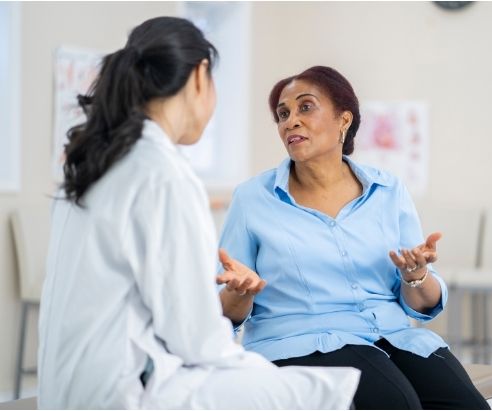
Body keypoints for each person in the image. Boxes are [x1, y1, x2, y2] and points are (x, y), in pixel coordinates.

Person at [38, 20, 359, 409]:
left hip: (66, 388)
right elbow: (197, 338)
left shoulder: (95, 164)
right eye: (283, 112)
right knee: (326, 392)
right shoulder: (163, 173)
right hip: (123, 392)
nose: (290, 120)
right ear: (199, 75)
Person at [217, 66, 490, 410]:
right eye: (282, 114)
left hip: (392, 337)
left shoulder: (388, 190)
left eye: (305, 107)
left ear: (343, 120)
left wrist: (415, 276)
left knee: (465, 405)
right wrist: (237, 292)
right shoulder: (253, 198)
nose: (290, 122)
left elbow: (422, 305)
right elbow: (225, 312)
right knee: (397, 403)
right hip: (300, 343)